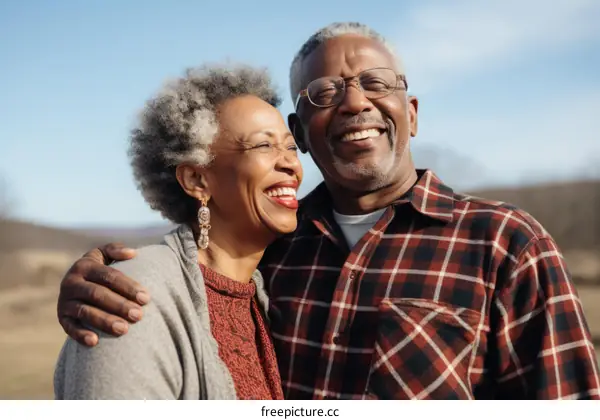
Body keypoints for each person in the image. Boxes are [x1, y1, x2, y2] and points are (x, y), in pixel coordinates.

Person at [55, 22, 600, 399]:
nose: (355, 102)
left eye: (375, 83)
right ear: (301, 134)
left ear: (410, 113)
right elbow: (192, 263)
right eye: (324, 92)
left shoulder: (505, 243)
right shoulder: (270, 249)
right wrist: (94, 281)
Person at [53, 63, 304, 400]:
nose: (290, 163)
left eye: (290, 147)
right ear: (196, 180)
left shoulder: (260, 295)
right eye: (263, 146)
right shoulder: (129, 294)